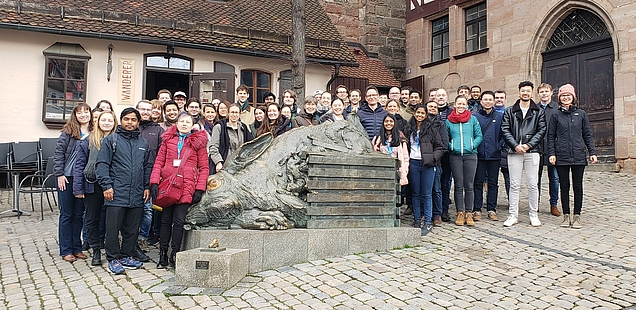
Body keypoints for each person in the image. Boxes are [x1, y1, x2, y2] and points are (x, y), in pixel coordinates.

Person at [96, 108, 152, 275]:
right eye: (126, 119)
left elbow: (148, 166)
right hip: (116, 192)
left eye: (133, 120)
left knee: (132, 227)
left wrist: (147, 186)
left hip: (137, 192)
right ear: (121, 120)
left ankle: (127, 255)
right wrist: (106, 185)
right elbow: (102, 165)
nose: (130, 122)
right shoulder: (111, 140)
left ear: (138, 122)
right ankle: (113, 258)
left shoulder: (143, 143)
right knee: (113, 228)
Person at [150, 112, 209, 268]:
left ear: (192, 125)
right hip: (168, 185)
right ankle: (162, 254)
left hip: (186, 186)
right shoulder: (167, 140)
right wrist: (154, 182)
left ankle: (175, 254)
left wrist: (199, 188)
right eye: (181, 121)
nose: (184, 124)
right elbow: (158, 162)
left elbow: (204, 168)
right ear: (176, 123)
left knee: (179, 221)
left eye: (187, 122)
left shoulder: (198, 143)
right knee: (165, 221)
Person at [547, 84, 597, 229]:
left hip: (578, 155)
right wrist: (552, 153)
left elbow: (587, 134)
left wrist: (592, 152)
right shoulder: (556, 114)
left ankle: (577, 216)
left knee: (577, 186)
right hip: (561, 155)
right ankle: (566, 216)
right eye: (563, 95)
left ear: (573, 97)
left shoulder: (581, 114)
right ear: (560, 98)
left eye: (568, 95)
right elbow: (551, 136)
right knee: (564, 186)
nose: (566, 97)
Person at [73, 110, 117, 266]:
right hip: (92, 184)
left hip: (113, 184)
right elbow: (79, 166)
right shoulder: (88, 141)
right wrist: (78, 188)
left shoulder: (118, 139)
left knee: (110, 219)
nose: (106, 123)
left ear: (114, 122)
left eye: (109, 120)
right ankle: (96, 250)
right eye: (103, 120)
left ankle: (110, 247)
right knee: (92, 219)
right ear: (98, 122)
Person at [501, 81, 547, 227]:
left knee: (533, 184)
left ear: (532, 93)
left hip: (532, 151)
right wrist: (515, 145)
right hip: (514, 151)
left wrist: (529, 145)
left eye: (528, 91)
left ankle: (533, 214)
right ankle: (513, 215)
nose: (525, 93)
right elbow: (505, 129)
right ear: (519, 92)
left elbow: (541, 130)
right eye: (523, 91)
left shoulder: (538, 111)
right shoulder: (510, 111)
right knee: (514, 184)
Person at [55, 103, 92, 263]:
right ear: (75, 115)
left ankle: (77, 248)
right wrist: (59, 174)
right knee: (67, 214)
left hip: (82, 179)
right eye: (80, 112)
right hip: (67, 178)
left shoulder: (93, 133)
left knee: (79, 215)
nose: (83, 115)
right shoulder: (68, 132)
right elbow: (58, 154)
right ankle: (66, 249)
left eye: (86, 112)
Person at [404, 105, 445, 235]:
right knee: (416, 193)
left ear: (426, 115)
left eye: (423, 113)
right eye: (418, 112)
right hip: (413, 163)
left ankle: (427, 221)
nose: (420, 115)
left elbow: (440, 147)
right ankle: (417, 219)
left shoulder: (431, 129)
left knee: (427, 194)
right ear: (414, 113)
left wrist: (433, 159)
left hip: (427, 164)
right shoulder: (408, 128)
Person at [135, 100, 165, 262]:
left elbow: (162, 154)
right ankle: (129, 239)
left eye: (149, 109)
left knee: (147, 210)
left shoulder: (158, 130)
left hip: (150, 174)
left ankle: (142, 237)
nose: (146, 112)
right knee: (132, 210)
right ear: (137, 110)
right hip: (131, 176)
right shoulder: (131, 127)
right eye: (143, 109)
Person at [446, 96, 482, 226]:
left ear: (467, 106)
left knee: (469, 185)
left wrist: (472, 145)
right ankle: (459, 212)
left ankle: (469, 212)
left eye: (463, 104)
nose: (461, 106)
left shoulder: (472, 119)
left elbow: (479, 135)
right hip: (455, 156)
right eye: (458, 104)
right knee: (458, 185)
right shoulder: (449, 121)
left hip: (471, 155)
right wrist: (452, 147)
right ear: (454, 105)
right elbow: (446, 137)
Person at [473, 91, 503, 221]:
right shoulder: (474, 116)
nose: (488, 102)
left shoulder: (500, 116)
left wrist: (499, 146)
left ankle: (491, 209)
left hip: (494, 155)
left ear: (494, 101)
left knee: (493, 183)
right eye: (485, 99)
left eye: (490, 99)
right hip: (479, 155)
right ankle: (477, 209)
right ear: (481, 101)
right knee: (478, 182)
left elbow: (504, 133)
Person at [537, 83, 561, 216]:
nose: (544, 94)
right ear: (538, 94)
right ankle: (536, 203)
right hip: (537, 147)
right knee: (536, 178)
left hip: (553, 148)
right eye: (541, 91)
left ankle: (554, 204)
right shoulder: (534, 108)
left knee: (554, 178)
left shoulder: (557, 108)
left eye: (546, 91)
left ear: (551, 93)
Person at [209, 104, 254, 173]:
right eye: (232, 112)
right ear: (228, 113)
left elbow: (250, 146)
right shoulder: (219, 127)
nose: (234, 115)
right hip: (223, 165)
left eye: (236, 112)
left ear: (240, 114)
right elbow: (213, 147)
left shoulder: (243, 128)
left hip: (239, 166)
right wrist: (218, 162)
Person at [373, 114, 409, 193]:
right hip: (382, 172)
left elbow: (406, 158)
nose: (388, 123)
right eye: (386, 121)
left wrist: (405, 171)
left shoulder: (401, 139)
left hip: (396, 172)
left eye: (391, 121)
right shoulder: (377, 139)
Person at [426, 101, 449, 226]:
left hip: (436, 162)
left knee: (436, 189)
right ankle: (425, 213)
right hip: (422, 161)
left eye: (435, 107)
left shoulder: (441, 124)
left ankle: (437, 214)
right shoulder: (420, 123)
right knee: (424, 190)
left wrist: (434, 157)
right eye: (431, 106)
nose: (433, 108)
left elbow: (444, 144)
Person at [435, 88, 454, 222]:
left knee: (446, 182)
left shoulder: (451, 113)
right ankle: (435, 210)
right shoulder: (430, 110)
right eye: (438, 95)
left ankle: (445, 210)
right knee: (434, 183)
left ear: (446, 97)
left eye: (443, 95)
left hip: (448, 153)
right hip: (435, 153)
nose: (441, 97)